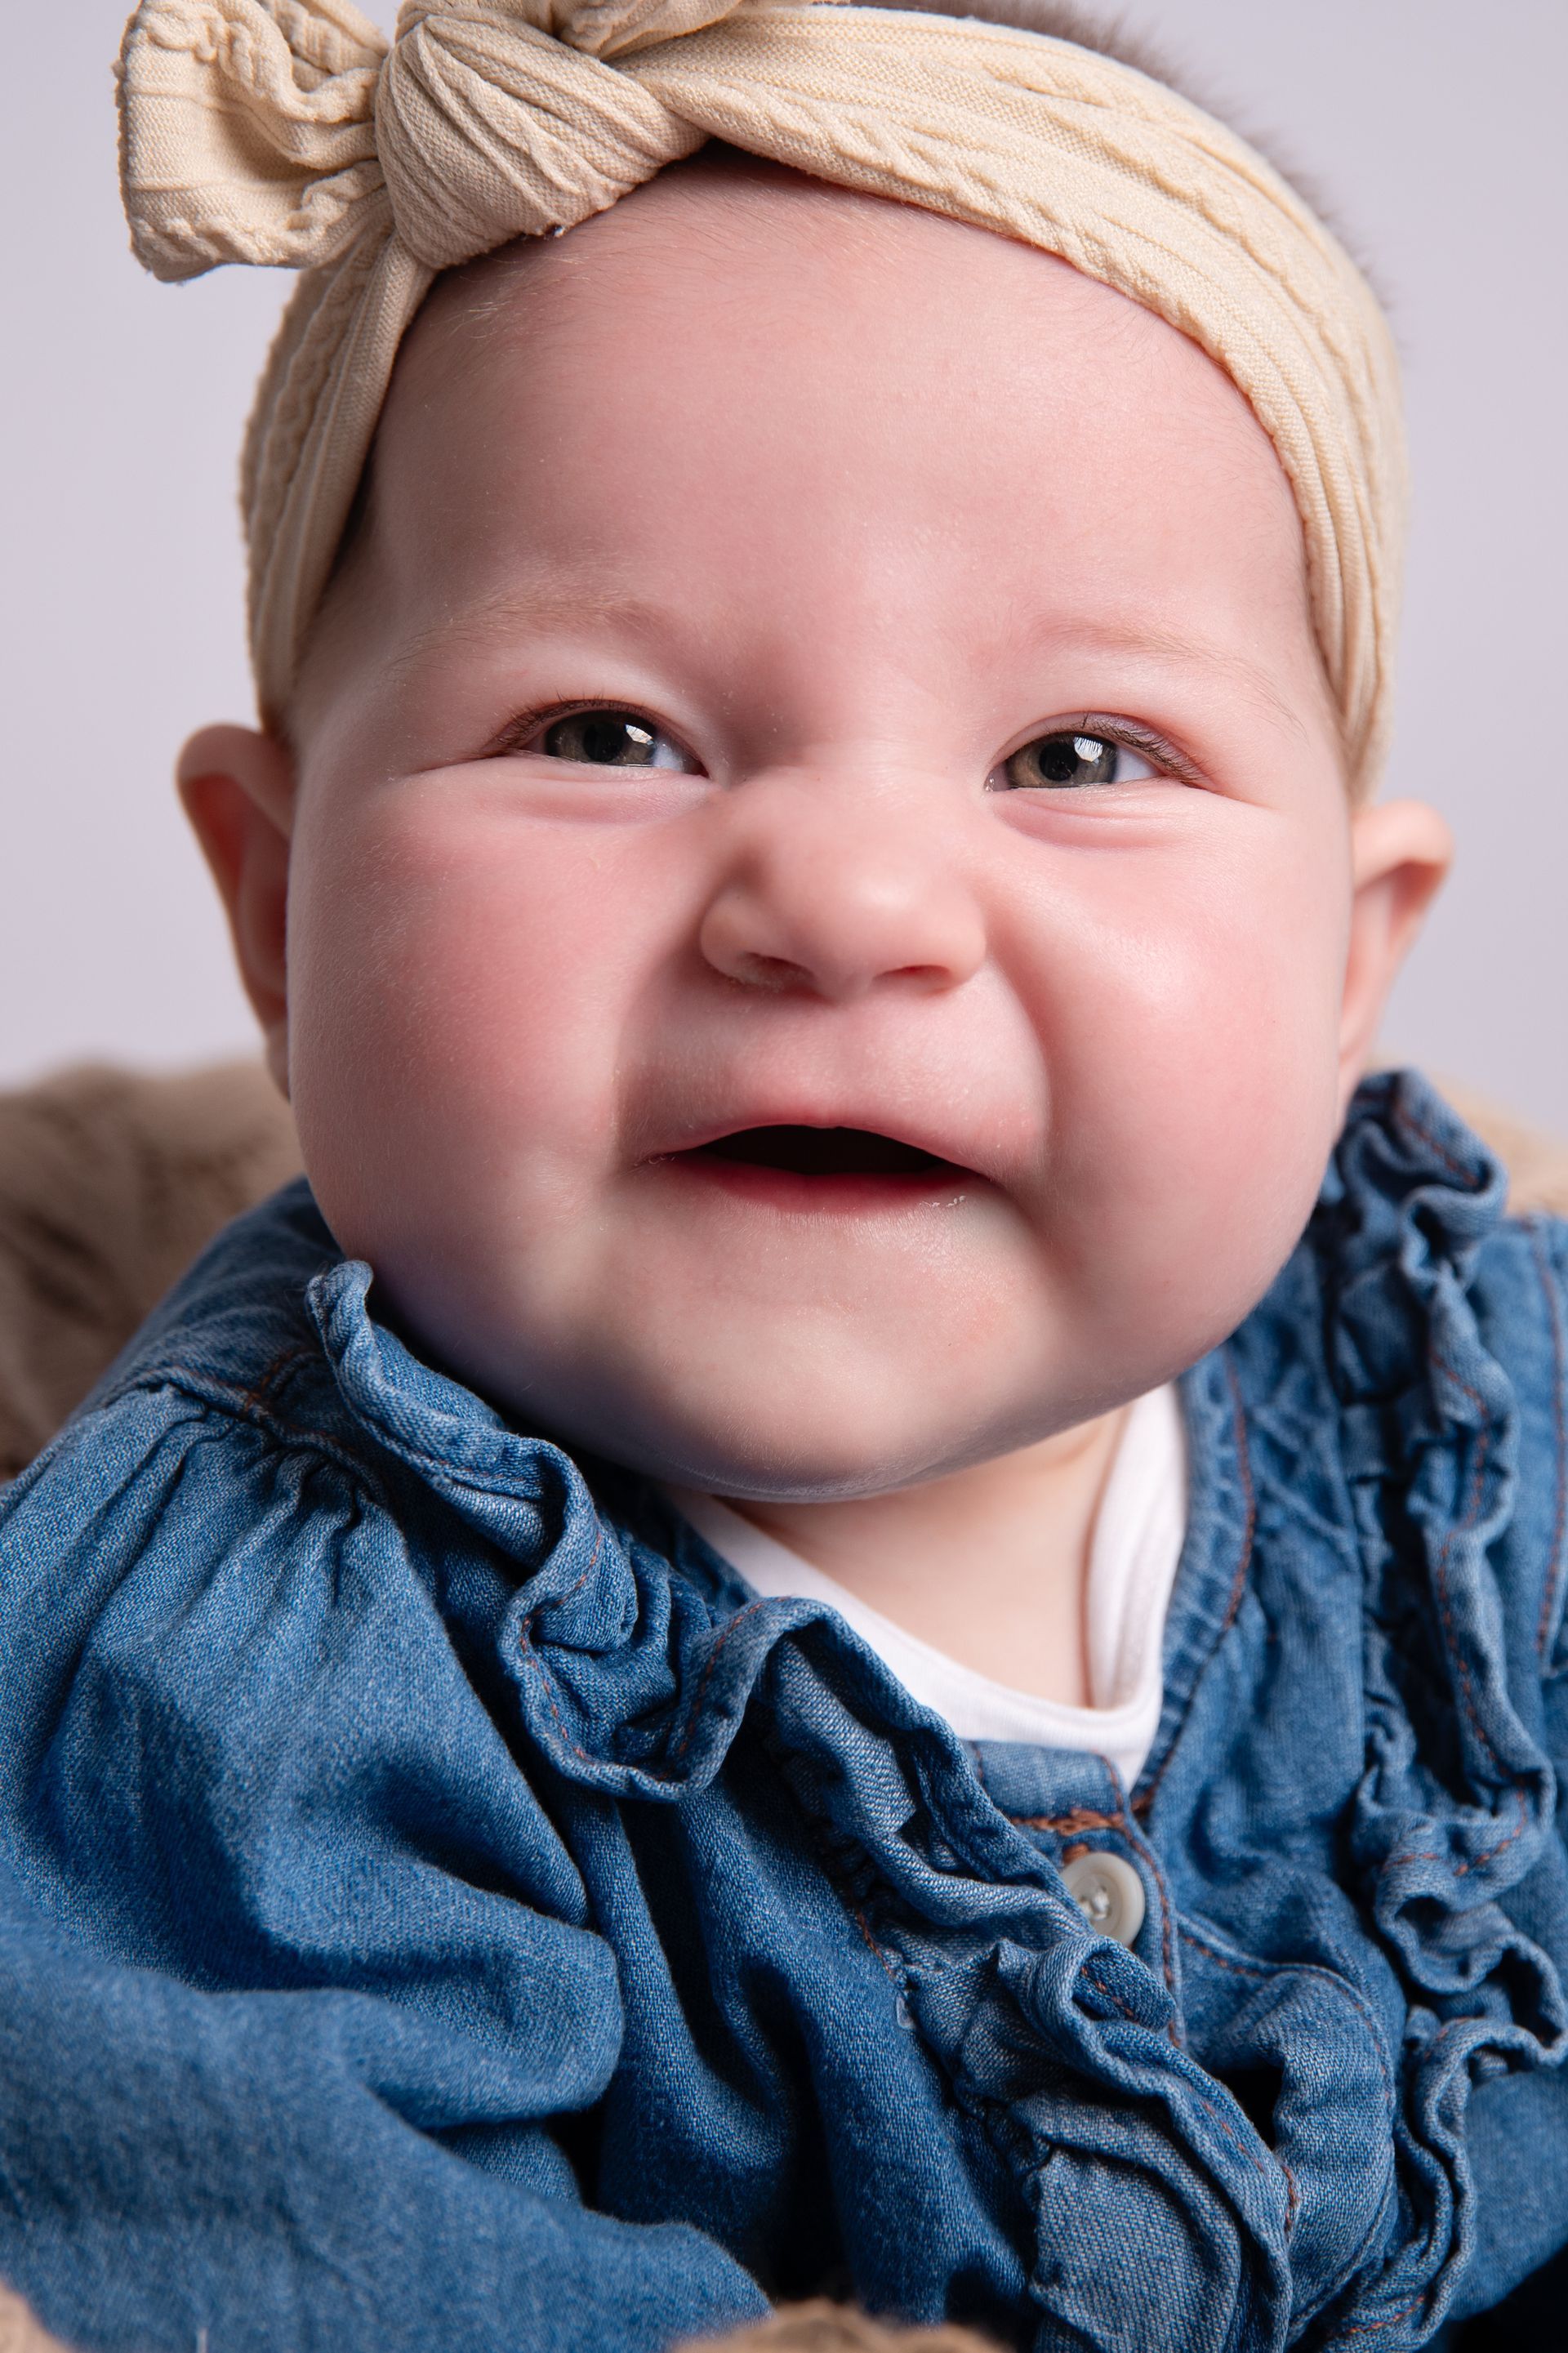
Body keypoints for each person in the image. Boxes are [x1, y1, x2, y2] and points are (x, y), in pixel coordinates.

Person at [0, 1, 1562, 2346]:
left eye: (1078, 751)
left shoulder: (1465, 1418)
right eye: (604, 731)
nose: (843, 901)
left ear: (1347, 973)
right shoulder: (249, 1684)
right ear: (277, 903)